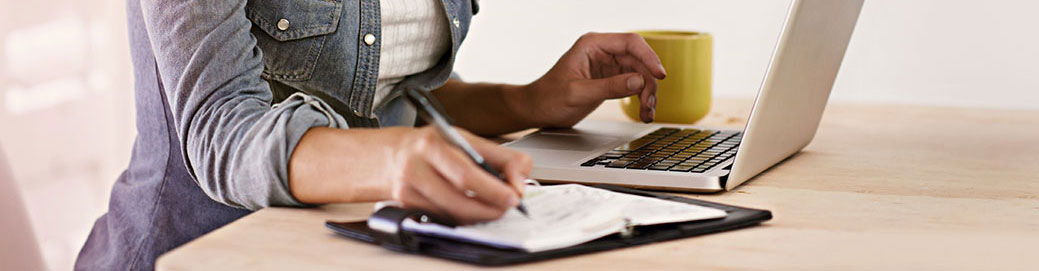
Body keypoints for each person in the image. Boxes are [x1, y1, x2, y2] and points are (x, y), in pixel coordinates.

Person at [76, 0, 665, 269]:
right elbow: (220, 132)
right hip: (195, 255)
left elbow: (393, 99)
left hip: (352, 249)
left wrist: (530, 100)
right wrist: (389, 161)